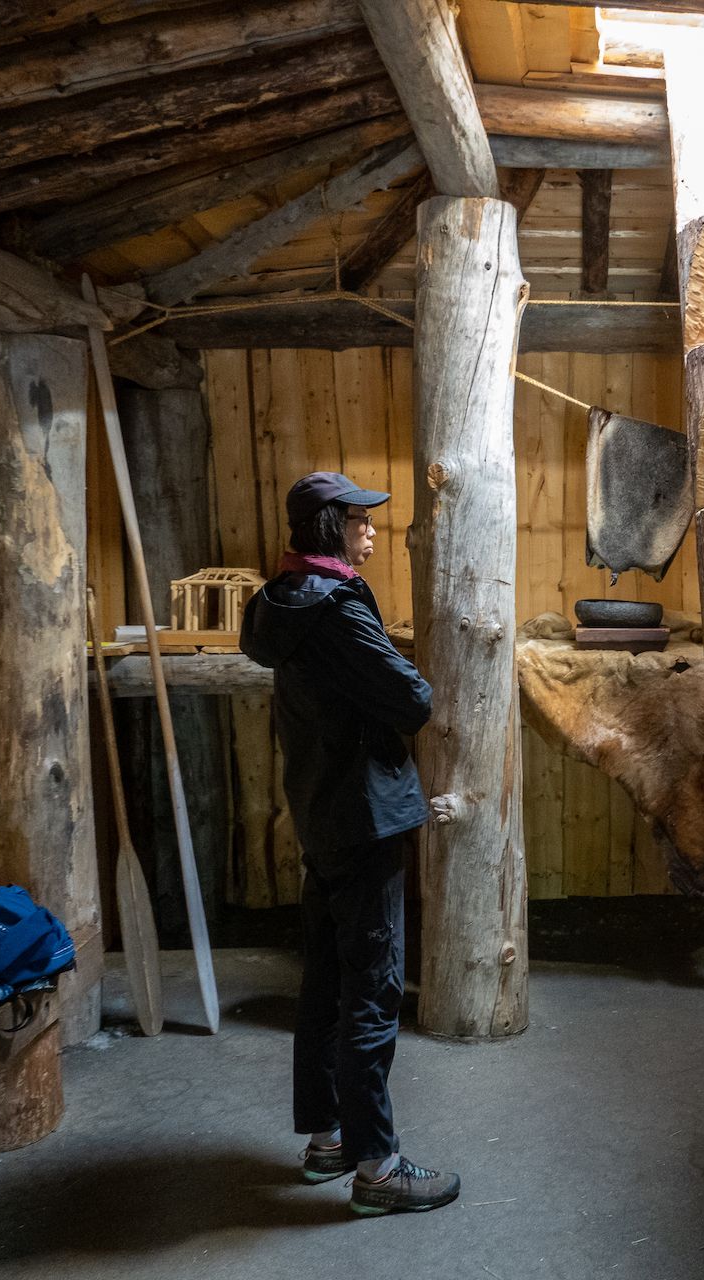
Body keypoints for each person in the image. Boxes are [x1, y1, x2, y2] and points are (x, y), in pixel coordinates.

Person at [239, 471, 460, 1215]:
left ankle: (328, 1137)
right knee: (372, 985)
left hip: (320, 805)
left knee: (329, 977)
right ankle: (376, 1167)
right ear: (333, 527)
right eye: (361, 520)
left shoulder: (281, 601)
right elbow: (413, 699)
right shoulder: (334, 606)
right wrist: (392, 686)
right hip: (365, 813)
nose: (372, 531)